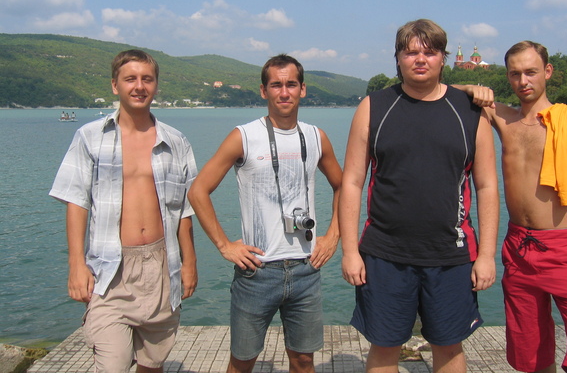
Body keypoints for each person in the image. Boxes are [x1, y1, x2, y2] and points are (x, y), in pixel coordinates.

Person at [339, 19, 500, 373]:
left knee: (450, 346)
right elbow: (352, 181)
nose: (421, 59)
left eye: (430, 52)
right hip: (384, 253)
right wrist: (350, 251)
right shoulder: (374, 107)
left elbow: (487, 186)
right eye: (411, 52)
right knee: (384, 345)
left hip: (451, 253)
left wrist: (487, 255)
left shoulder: (470, 111)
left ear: (443, 57)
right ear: (398, 58)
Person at [188, 54, 342, 373]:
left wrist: (333, 236)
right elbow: (198, 191)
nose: (284, 92)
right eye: (276, 85)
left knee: (303, 360)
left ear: (303, 89)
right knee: (243, 361)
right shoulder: (243, 136)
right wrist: (224, 246)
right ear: (263, 91)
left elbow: (344, 186)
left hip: (306, 268)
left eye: (291, 84)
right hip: (257, 271)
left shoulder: (316, 137)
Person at [463, 41, 567, 373]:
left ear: (548, 71)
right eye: (515, 74)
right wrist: (473, 87)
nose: (523, 81)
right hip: (518, 248)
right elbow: (445, 90)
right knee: (531, 354)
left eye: (531, 72)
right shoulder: (503, 118)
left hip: (566, 250)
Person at [50, 49, 198, 373]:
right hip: (110, 269)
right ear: (115, 85)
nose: (139, 86)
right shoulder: (90, 137)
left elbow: (184, 210)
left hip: (162, 265)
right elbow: (76, 201)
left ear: (156, 85)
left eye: (147, 79)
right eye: (130, 79)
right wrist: (76, 265)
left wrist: (190, 264)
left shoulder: (176, 141)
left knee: (152, 364)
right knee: (113, 364)